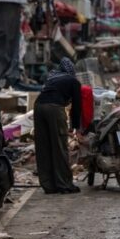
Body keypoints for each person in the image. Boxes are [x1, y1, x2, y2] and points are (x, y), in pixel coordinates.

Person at [33, 58, 82, 194]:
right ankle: (64, 184)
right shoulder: (73, 81)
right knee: (59, 147)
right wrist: (75, 126)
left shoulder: (52, 77)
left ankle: (48, 185)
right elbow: (76, 106)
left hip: (38, 107)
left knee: (43, 147)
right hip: (54, 108)